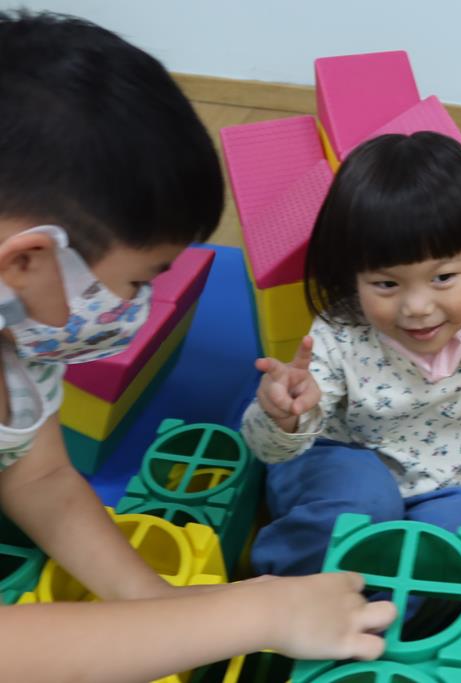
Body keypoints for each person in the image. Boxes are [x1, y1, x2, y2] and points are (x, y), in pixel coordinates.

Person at [0, 11, 394, 682]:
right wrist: (254, 613)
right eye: (137, 281)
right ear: (28, 261)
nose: (140, 305)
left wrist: (161, 609)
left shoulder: (22, 334)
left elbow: (38, 479)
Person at [242, 132, 461, 577]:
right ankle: (280, 591)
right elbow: (267, 450)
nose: (417, 307)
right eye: (386, 284)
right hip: (342, 462)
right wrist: (282, 417)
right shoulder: (340, 334)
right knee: (364, 504)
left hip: (447, 485)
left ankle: (394, 612)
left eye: (443, 278)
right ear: (353, 277)